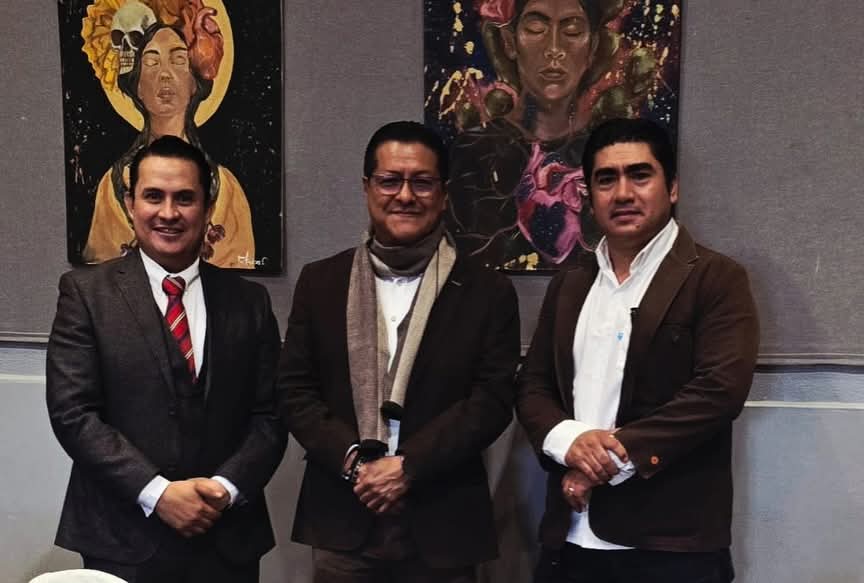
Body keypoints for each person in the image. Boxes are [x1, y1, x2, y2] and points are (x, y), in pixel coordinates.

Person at [516, 118, 759, 582]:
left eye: (640, 175)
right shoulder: (570, 283)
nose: (623, 193)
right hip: (569, 537)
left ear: (672, 188)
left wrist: (606, 460)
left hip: (671, 545)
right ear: (589, 194)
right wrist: (570, 442)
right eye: (606, 179)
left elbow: (718, 392)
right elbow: (533, 384)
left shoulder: (715, 278)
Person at [277, 121, 521, 581]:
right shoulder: (321, 282)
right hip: (343, 517)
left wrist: (409, 467)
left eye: (422, 182)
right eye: (390, 180)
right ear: (367, 187)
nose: (405, 195)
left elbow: (491, 401)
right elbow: (295, 391)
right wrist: (354, 463)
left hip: (443, 518)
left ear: (443, 194)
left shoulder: (488, 292)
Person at [47, 136, 286, 582]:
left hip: (226, 537)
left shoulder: (249, 302)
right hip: (122, 537)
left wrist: (224, 489)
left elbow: (271, 416)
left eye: (185, 198)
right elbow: (73, 413)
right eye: (153, 196)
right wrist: (157, 493)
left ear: (208, 207)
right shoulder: (85, 294)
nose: (169, 213)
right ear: (129, 203)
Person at [448, 0, 635, 270]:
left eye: (572, 31)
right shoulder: (476, 150)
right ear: (510, 42)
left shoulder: (610, 152)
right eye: (536, 28)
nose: (554, 49)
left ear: (592, 48)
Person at [83, 19, 255, 268]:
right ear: (137, 86)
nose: (165, 74)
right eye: (152, 62)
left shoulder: (227, 188)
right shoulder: (113, 185)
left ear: (194, 83)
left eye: (179, 60)